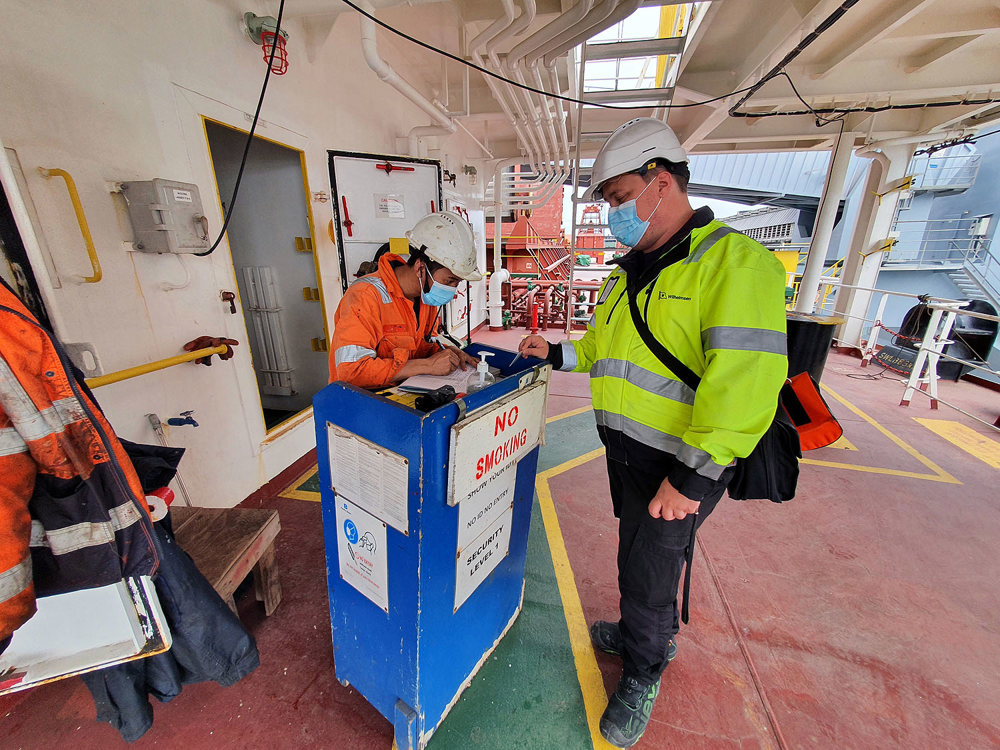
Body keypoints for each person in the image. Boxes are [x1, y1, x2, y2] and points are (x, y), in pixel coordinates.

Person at [519, 118, 788, 748]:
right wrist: (556, 355)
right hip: (629, 455)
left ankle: (644, 671)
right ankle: (644, 633)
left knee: (650, 568)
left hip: (681, 462)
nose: (613, 214)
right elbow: (605, 350)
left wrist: (691, 478)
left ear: (659, 183)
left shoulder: (731, 264)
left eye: (617, 199)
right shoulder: (631, 270)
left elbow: (744, 380)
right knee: (636, 552)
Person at [330, 211, 482, 389]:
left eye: (457, 282)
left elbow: (423, 345)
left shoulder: (425, 298)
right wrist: (428, 365)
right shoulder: (364, 297)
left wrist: (449, 352)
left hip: (401, 393)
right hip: (361, 403)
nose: (452, 290)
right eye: (449, 281)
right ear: (420, 268)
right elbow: (351, 372)